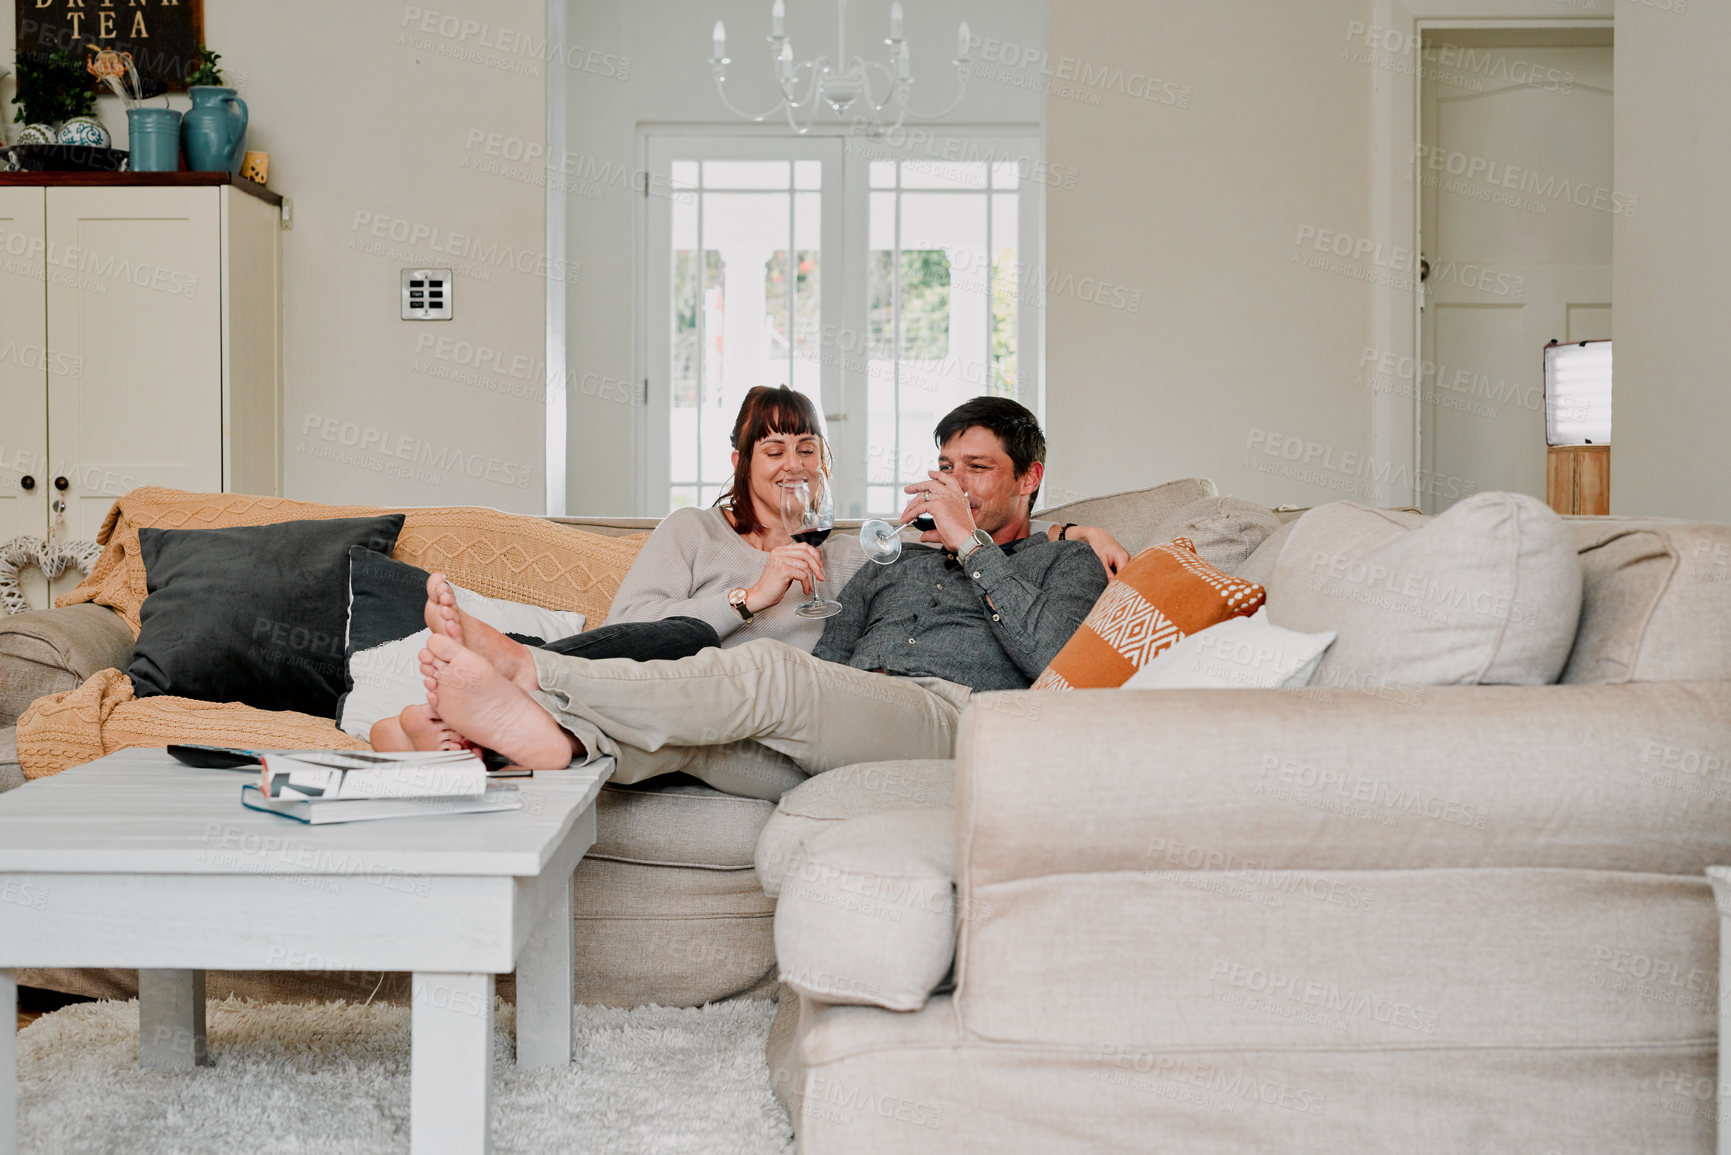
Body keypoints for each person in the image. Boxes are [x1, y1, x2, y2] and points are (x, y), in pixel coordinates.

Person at [375, 386, 1127, 753]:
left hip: (955, 712)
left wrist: (978, 543)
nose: (953, 485)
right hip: (848, 711)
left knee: (769, 672)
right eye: (943, 468)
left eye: (977, 469)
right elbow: (831, 658)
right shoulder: (892, 560)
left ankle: (529, 669)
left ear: (1027, 478)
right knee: (698, 743)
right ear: (740, 460)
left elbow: (1055, 658)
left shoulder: (1068, 561)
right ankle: (542, 739)